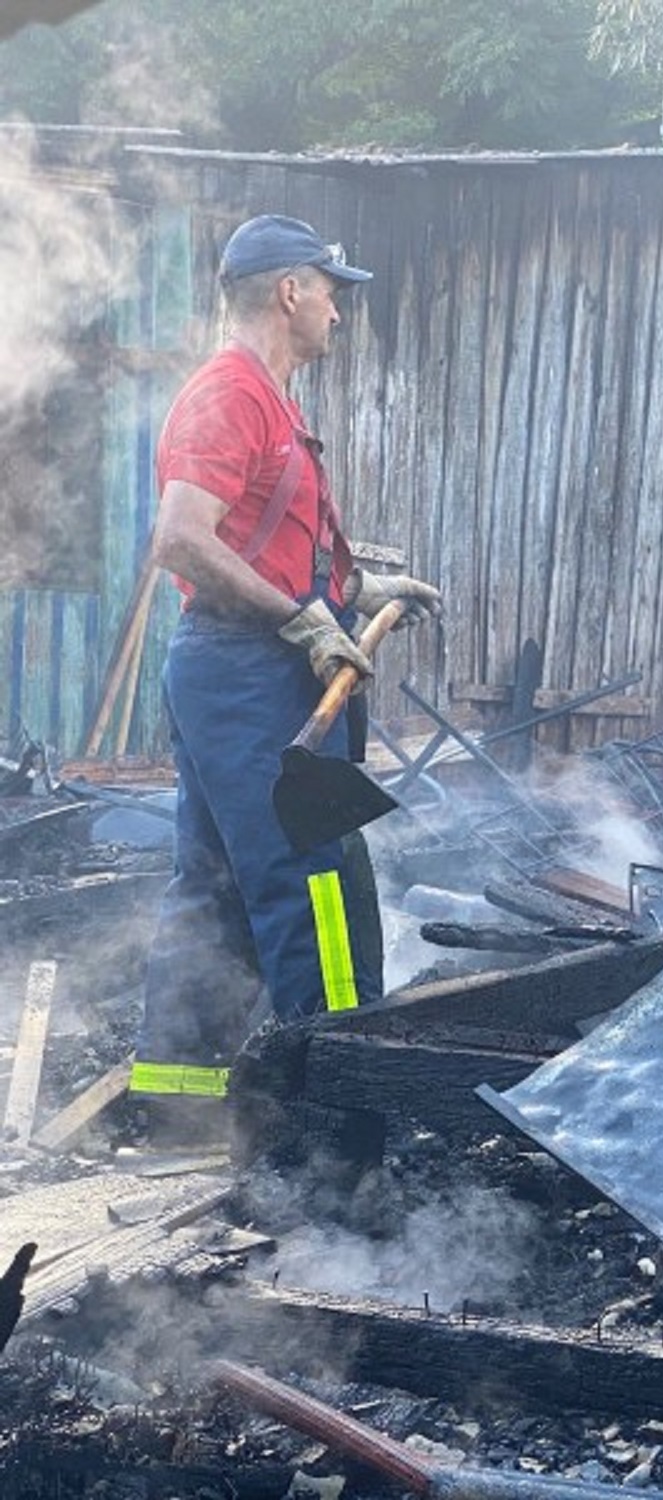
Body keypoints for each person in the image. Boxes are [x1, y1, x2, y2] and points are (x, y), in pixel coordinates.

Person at [133, 214, 443, 1116]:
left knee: (219, 883)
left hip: (244, 670)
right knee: (316, 882)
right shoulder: (228, 394)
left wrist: (355, 586)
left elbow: (258, 545)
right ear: (289, 291)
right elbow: (181, 542)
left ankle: (178, 1104)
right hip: (246, 676)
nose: (340, 311)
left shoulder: (269, 399)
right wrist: (307, 625)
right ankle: (336, 1104)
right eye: (332, 289)